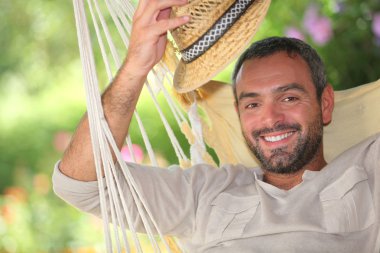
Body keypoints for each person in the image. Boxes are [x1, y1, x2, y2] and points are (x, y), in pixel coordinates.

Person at [53, 0, 380, 252]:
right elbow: (80, 184)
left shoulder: (368, 170)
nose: (270, 119)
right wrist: (135, 67)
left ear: (325, 103)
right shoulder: (204, 193)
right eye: (252, 104)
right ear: (238, 115)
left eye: (289, 98)